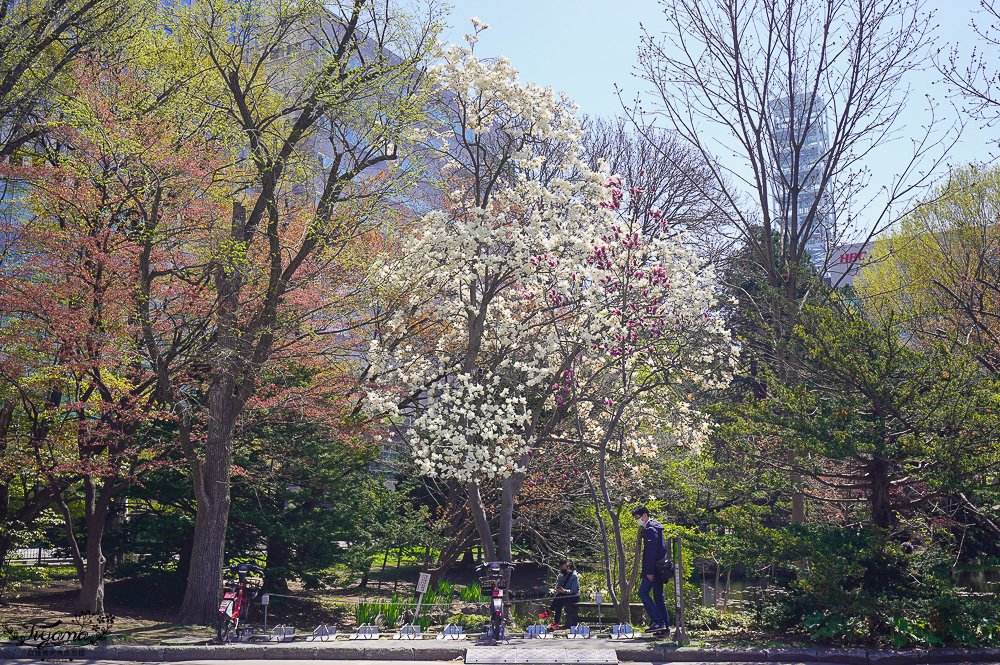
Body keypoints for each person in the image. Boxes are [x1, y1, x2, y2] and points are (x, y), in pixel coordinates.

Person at [633, 505, 670, 631]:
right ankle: (665, 628)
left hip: (653, 570)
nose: (637, 521)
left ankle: (658, 621)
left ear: (645, 515)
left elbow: (650, 553)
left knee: (642, 593)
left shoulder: (650, 529)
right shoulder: (657, 526)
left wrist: (648, 572)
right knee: (659, 598)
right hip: (660, 568)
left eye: (638, 518)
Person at [543, 560, 579, 629]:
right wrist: (559, 590)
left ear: (568, 568)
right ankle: (555, 623)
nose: (562, 570)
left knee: (559, 597)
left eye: (563, 568)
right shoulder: (560, 576)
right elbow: (559, 586)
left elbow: (573, 590)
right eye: (561, 568)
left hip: (573, 596)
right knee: (559, 601)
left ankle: (549, 612)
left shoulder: (574, 576)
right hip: (563, 596)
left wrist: (565, 591)